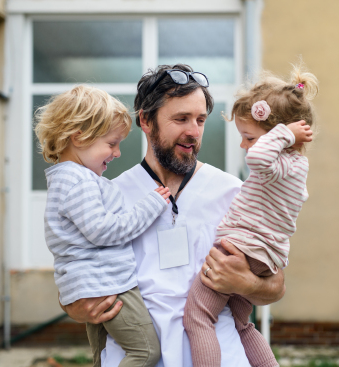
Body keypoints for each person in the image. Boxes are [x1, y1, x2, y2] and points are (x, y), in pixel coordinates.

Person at [61, 64, 287, 367]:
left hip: (222, 356)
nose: (193, 131)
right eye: (181, 119)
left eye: (200, 120)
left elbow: (276, 286)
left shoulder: (234, 193)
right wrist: (75, 308)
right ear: (146, 121)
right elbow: (74, 270)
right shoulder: (108, 196)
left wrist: (247, 283)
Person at [183, 65, 318, 367]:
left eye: (249, 137)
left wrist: (284, 133)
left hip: (242, 248)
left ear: (281, 138)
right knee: (243, 324)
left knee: (198, 316)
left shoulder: (276, 164)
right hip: (264, 257)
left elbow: (257, 158)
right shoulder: (295, 168)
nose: (244, 145)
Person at [34, 85, 172, 367]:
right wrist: (150, 206)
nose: (118, 152)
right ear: (79, 136)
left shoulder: (68, 179)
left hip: (92, 286)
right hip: (108, 283)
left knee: (103, 357)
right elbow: (104, 231)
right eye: (111, 143)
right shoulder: (78, 181)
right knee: (145, 352)